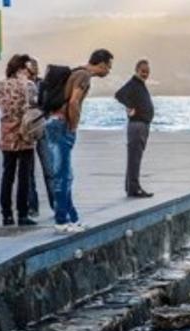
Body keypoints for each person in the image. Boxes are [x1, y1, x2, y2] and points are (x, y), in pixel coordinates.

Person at [46, 48, 113, 234]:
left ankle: (72, 219)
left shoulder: (76, 72)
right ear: (101, 64)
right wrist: (73, 126)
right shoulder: (84, 76)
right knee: (62, 176)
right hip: (62, 125)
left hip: (53, 123)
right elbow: (74, 101)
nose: (109, 71)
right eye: (109, 67)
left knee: (66, 175)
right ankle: (61, 221)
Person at [0, 53, 38, 226]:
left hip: (6, 134)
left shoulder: (1, 85)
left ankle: (6, 214)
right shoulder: (29, 85)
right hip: (25, 134)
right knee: (24, 176)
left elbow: (0, 106)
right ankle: (23, 214)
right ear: (21, 68)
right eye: (27, 68)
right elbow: (34, 108)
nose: (30, 71)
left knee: (7, 175)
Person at [115, 59, 155, 198]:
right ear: (136, 70)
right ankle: (134, 188)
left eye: (147, 72)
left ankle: (131, 187)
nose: (145, 74)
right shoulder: (133, 83)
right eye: (143, 71)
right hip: (137, 125)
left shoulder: (139, 84)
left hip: (141, 125)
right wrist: (130, 105)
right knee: (134, 159)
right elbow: (119, 95)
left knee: (135, 158)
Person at [25, 57, 55, 216]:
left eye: (34, 68)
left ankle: (55, 204)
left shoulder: (44, 84)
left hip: (42, 128)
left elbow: (49, 104)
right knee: (28, 171)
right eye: (29, 68)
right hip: (27, 131)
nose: (32, 71)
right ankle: (32, 206)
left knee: (49, 168)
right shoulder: (20, 85)